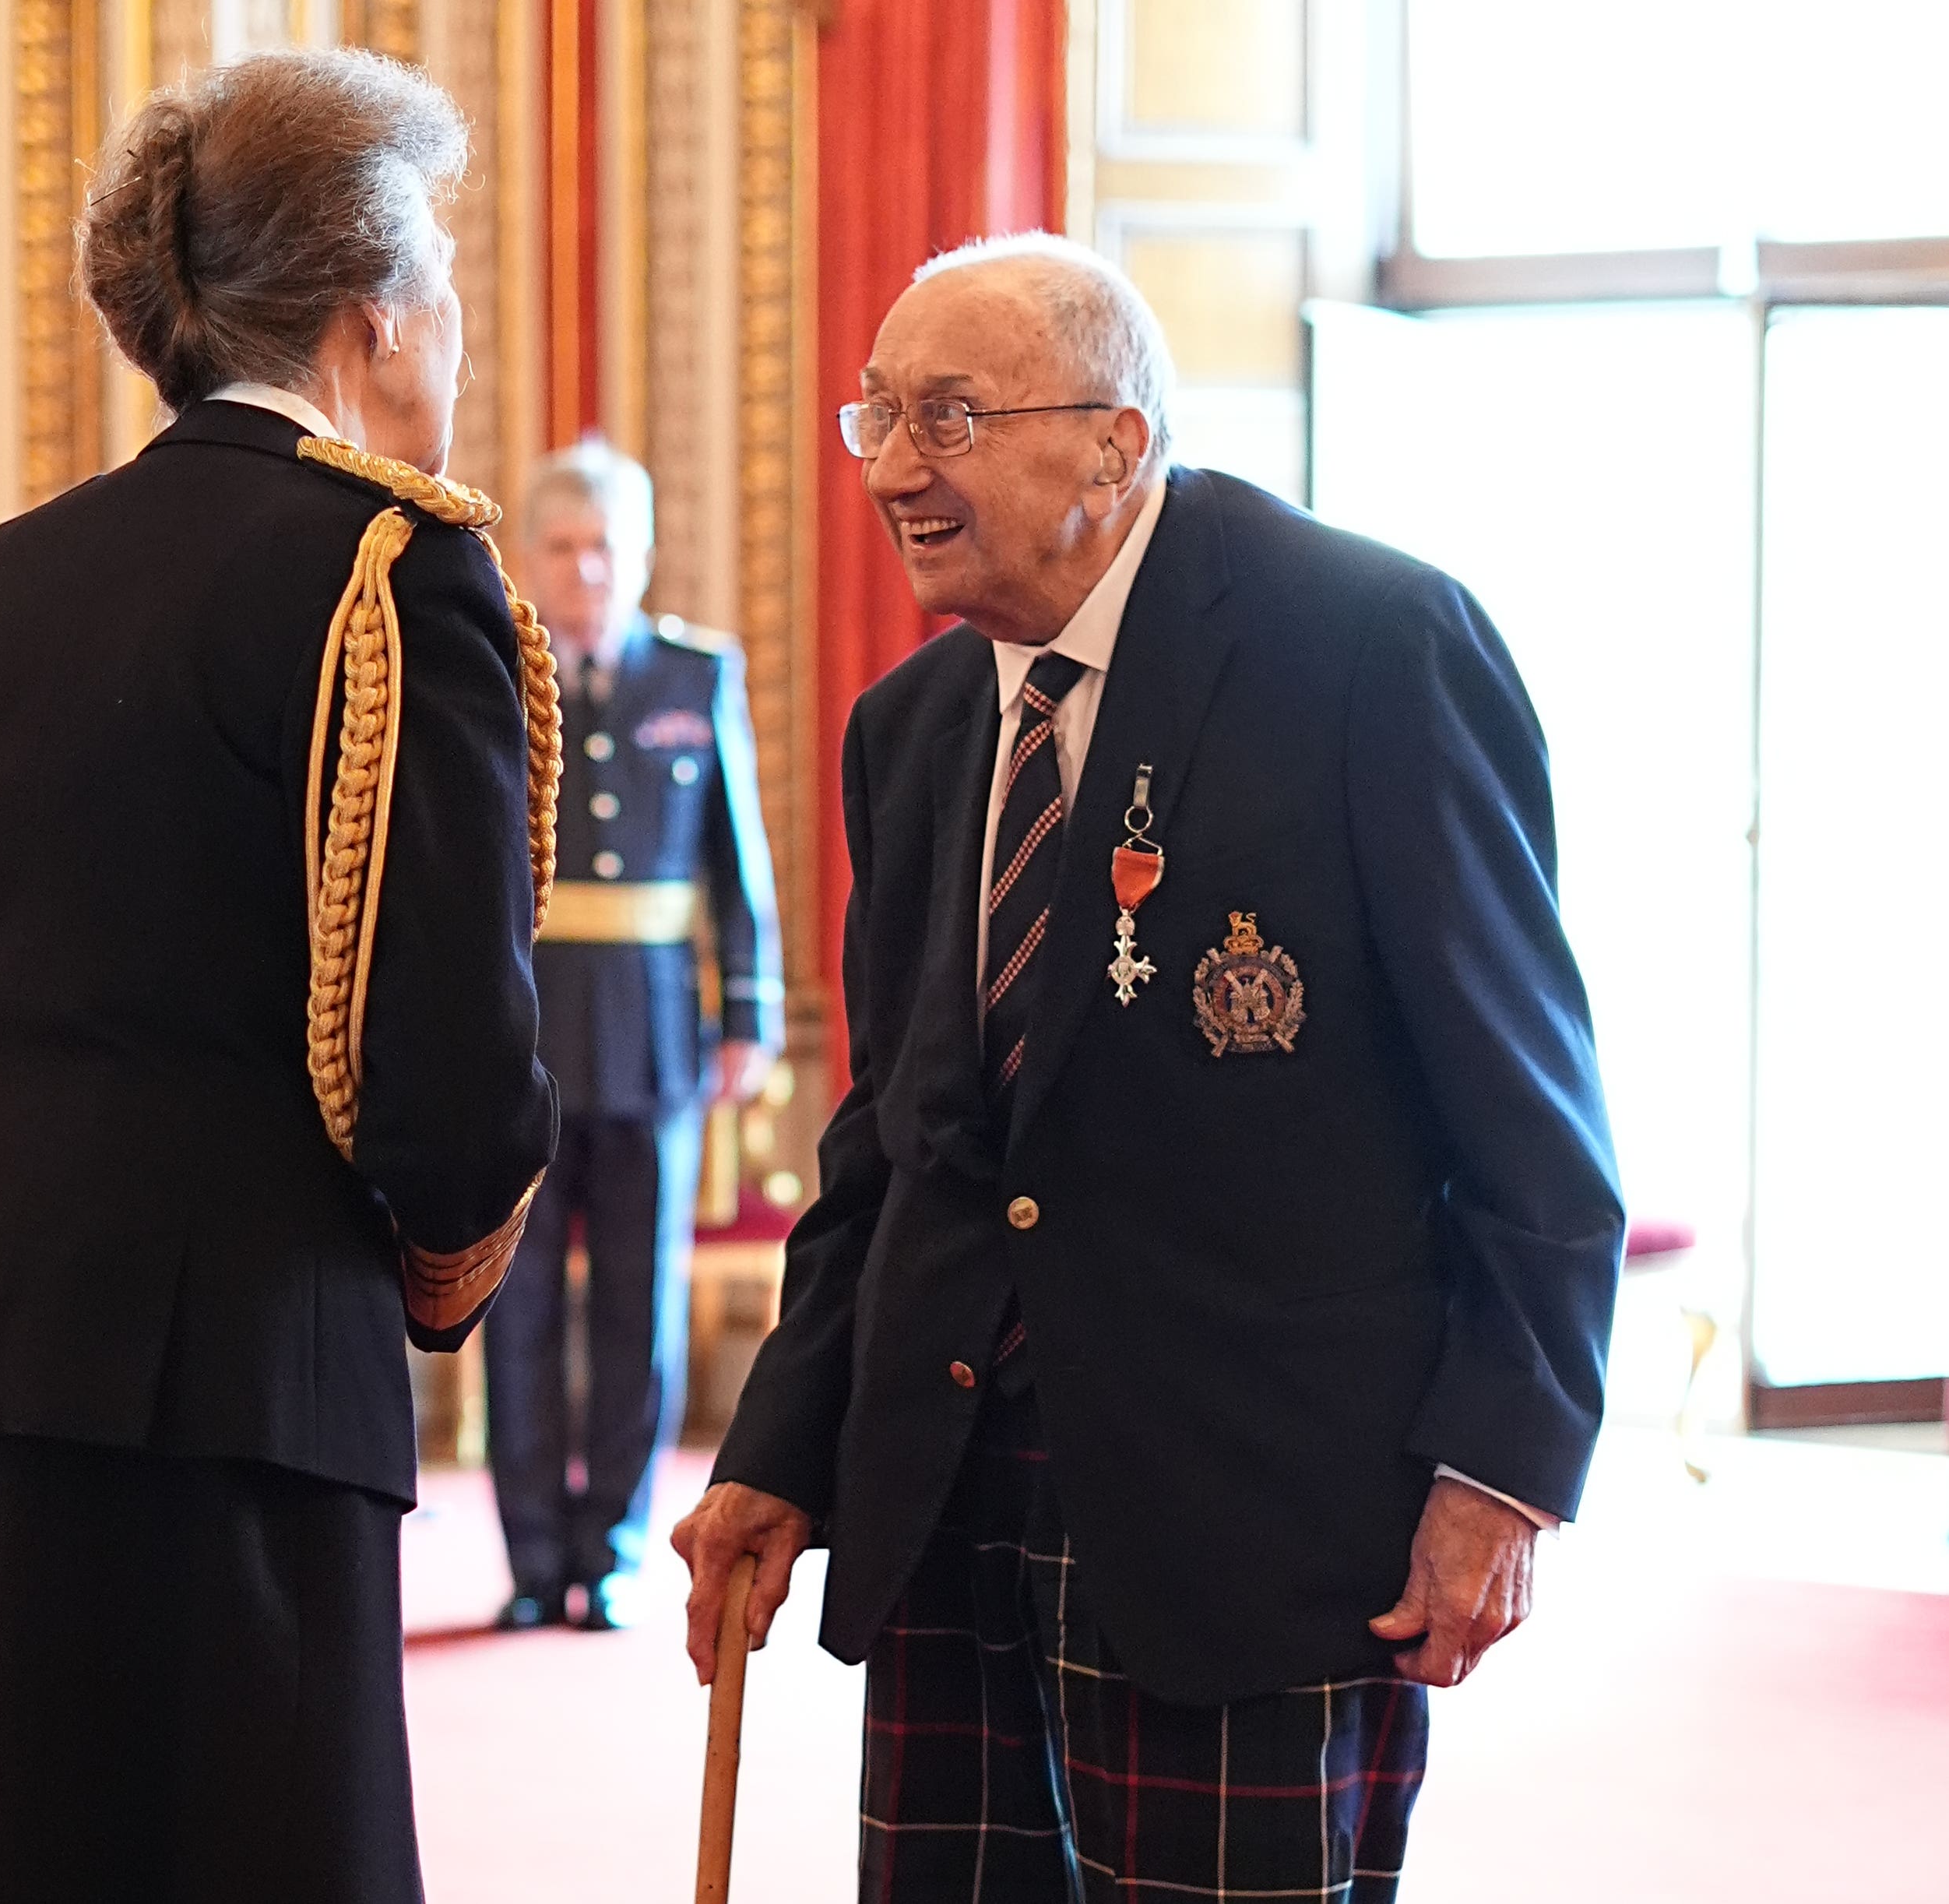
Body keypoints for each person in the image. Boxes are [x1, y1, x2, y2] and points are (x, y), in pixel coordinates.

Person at [671, 234, 1623, 1901]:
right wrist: (779, 1442)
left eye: (948, 416)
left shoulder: (1369, 648)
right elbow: (889, 1146)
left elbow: (1531, 1120)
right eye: (875, 417)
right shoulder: (907, 730)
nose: (893, 466)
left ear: (1112, 443)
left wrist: (1502, 1467)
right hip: (951, 1504)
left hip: (1253, 1512)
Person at [0, 49, 556, 1904]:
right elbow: (451, 1070)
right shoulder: (397, 570)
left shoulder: (3, 573)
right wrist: (439, 1268)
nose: (452, 321)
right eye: (443, 276)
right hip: (239, 1356)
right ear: (374, 317)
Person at [487, 440, 781, 1631]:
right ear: (530, 557)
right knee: (518, 1307)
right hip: (524, 1031)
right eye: (563, 545)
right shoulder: (493, 671)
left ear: (642, 555)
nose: (588, 568)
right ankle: (528, 1558)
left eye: (608, 546)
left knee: (636, 1306)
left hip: (656, 1032)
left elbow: (735, 861)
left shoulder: (694, 677)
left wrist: (749, 1013)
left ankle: (606, 1544)